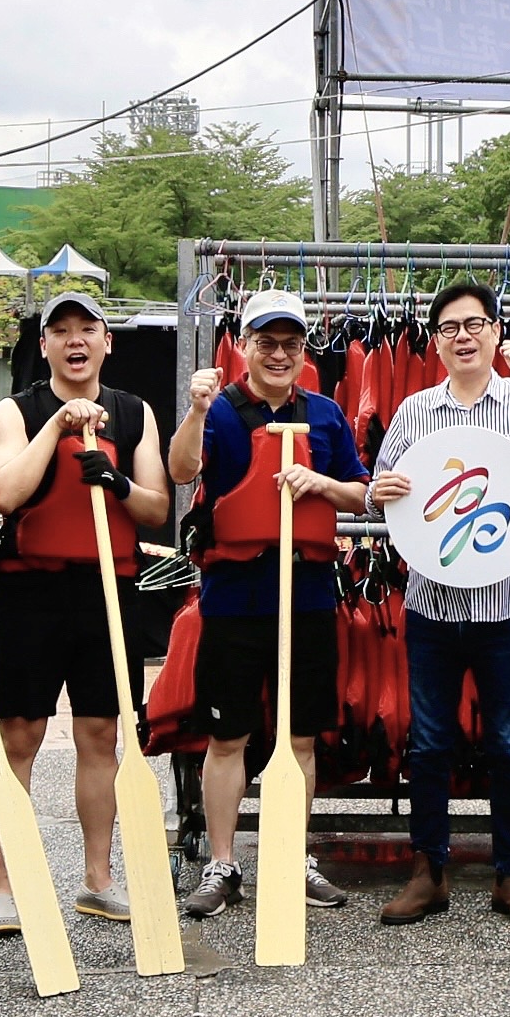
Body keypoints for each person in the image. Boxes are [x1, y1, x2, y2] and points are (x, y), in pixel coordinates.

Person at [365, 280, 510, 927]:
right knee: (428, 743)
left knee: (509, 745)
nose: (462, 336)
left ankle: (509, 873)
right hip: (430, 604)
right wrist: (383, 489)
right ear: (434, 341)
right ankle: (427, 870)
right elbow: (380, 485)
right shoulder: (413, 410)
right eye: (449, 327)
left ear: (494, 331)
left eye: (474, 324)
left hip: (504, 605)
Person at [164, 290, 367, 920]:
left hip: (306, 593)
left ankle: (292, 853)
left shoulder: (326, 414)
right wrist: (195, 412)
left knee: (300, 737)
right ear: (244, 346)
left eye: (291, 344)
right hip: (236, 596)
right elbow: (180, 471)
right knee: (228, 737)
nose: (279, 354)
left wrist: (321, 484)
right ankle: (223, 863)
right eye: (266, 342)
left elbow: (360, 496)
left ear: (304, 351)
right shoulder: (219, 410)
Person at [0, 293, 175, 922]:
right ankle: (4, 886)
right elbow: (5, 497)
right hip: (31, 589)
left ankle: (98, 876)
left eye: (86, 330)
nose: (74, 340)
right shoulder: (17, 410)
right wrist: (58, 427)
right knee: (21, 735)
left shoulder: (133, 411)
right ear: (43, 346)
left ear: (106, 342)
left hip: (106, 587)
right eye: (59, 331)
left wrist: (116, 482)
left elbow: (156, 509)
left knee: (101, 734)